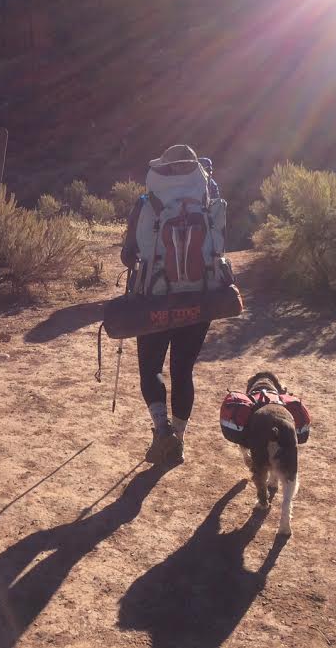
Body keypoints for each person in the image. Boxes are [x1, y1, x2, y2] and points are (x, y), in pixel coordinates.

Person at [120, 144, 213, 465]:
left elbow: (127, 256)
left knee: (151, 368)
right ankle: (180, 438)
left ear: (164, 169)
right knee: (183, 369)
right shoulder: (206, 198)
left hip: (155, 296)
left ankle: (162, 433)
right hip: (199, 297)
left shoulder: (148, 202)